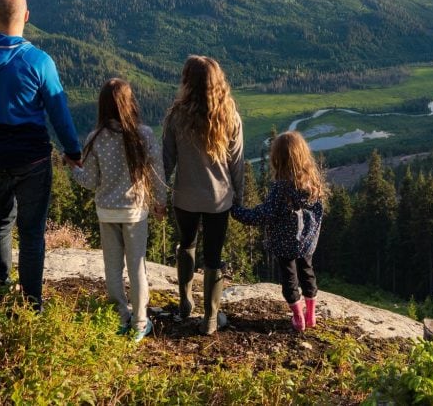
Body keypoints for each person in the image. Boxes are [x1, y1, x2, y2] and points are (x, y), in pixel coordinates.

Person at [0, 0, 82, 310]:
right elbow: (58, 112)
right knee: (31, 232)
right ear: (26, 17)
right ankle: (30, 304)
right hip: (33, 158)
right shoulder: (38, 61)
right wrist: (73, 150)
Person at [70, 78, 167, 342]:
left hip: (107, 211)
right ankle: (139, 322)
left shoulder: (95, 138)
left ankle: (120, 316)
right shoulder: (143, 135)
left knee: (112, 267)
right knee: (137, 267)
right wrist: (160, 201)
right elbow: (157, 169)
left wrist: (73, 167)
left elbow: (89, 181)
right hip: (135, 211)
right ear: (129, 103)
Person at [162, 55, 244, 335]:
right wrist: (240, 198)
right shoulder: (230, 115)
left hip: (184, 196)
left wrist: (161, 196)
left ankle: (185, 301)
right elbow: (237, 164)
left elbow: (166, 161)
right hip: (218, 200)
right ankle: (210, 317)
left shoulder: (176, 115)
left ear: (188, 81)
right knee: (213, 256)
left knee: (186, 244)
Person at [231, 131, 326, 332]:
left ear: (278, 158)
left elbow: (262, 215)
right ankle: (311, 316)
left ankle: (298, 318)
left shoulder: (280, 188)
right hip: (307, 242)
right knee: (307, 273)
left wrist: (235, 210)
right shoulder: (313, 184)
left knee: (289, 279)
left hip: (285, 244)